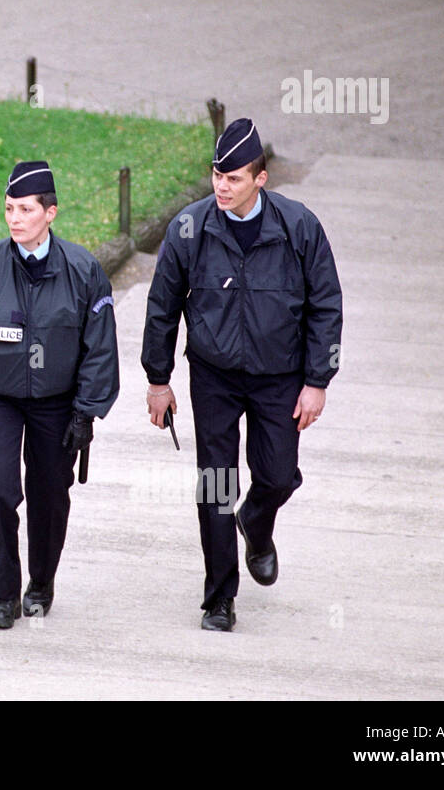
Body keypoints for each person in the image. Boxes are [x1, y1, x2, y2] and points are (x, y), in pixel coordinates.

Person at [140, 118, 342, 632]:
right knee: (215, 484)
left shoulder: (300, 228)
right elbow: (162, 307)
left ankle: (256, 520)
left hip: (280, 377)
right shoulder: (189, 228)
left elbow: (325, 306)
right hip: (214, 376)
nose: (221, 187)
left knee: (277, 476)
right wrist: (158, 379)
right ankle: (219, 599)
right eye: (216, 175)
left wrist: (317, 380)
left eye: (233, 177)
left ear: (261, 179)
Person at [0, 161, 120, 629]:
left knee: (49, 496)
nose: (15, 219)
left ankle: (41, 583)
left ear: (50, 213)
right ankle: (4, 592)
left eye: (26, 209)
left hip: (57, 403)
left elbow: (100, 347)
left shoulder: (83, 271)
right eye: (9, 209)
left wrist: (86, 412)